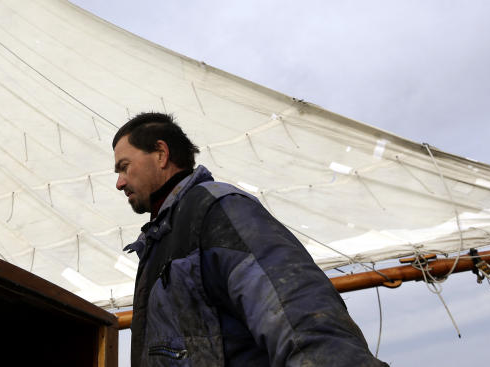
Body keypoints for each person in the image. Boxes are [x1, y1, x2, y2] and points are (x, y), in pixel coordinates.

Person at [113, 112, 388, 366]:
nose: (120, 183)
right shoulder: (159, 239)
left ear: (161, 154)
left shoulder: (218, 211)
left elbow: (302, 319)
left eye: (124, 167)